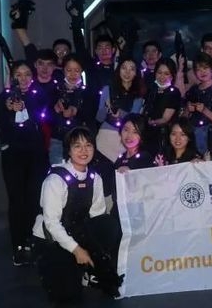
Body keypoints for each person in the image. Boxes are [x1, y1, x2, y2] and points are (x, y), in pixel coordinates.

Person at [32, 127, 123, 302]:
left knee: (108, 225)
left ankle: (89, 271)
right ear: (69, 150)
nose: (83, 151)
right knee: (68, 296)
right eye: (77, 146)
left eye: (88, 145)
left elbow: (97, 216)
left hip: (78, 232)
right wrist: (77, 250)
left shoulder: (95, 178)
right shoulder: (55, 180)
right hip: (52, 239)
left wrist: (97, 253)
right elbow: (52, 224)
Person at [0, 61, 49, 266]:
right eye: (19, 74)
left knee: (35, 198)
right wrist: (10, 109)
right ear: (13, 77)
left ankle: (33, 242)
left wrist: (26, 106)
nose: (24, 78)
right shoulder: (4, 97)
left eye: (27, 74)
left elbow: (43, 117)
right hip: (13, 156)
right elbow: (1, 123)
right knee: (16, 200)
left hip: (36, 154)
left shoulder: (39, 94)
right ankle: (18, 245)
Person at [95, 58, 145, 163]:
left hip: (126, 138)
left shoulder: (138, 95)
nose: (127, 72)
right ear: (118, 70)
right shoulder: (107, 89)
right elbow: (99, 118)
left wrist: (120, 113)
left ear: (136, 73)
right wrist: (106, 107)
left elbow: (133, 119)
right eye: (124, 68)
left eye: (131, 69)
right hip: (106, 135)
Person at [49, 54, 94, 164]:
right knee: (58, 171)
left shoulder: (88, 91)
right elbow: (45, 115)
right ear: (63, 70)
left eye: (76, 70)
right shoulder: (55, 89)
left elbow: (91, 115)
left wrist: (75, 111)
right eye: (69, 70)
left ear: (82, 71)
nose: (73, 74)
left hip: (80, 141)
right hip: (58, 139)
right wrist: (54, 109)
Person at [184, 52, 212, 155]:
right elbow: (183, 119)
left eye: (205, 68)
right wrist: (187, 110)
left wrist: (205, 110)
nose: (202, 72)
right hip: (192, 137)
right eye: (198, 69)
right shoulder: (192, 90)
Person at [142, 57, 181, 155]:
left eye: (166, 73)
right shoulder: (152, 89)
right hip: (147, 133)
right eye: (159, 72)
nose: (162, 76)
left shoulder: (174, 93)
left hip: (164, 136)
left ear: (172, 76)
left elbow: (165, 119)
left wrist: (151, 122)